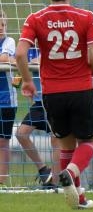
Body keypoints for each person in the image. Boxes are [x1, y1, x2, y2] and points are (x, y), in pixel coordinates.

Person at [15, 0, 93, 210]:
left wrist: (28, 81)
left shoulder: (35, 18)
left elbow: (21, 53)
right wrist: (92, 69)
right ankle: (71, 171)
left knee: (65, 145)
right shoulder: (86, 17)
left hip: (51, 93)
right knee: (90, 141)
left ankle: (77, 198)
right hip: (81, 88)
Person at [16, 46, 60, 190]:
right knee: (21, 134)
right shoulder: (28, 50)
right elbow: (18, 63)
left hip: (54, 98)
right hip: (39, 102)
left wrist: (30, 63)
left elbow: (43, 61)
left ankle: (55, 180)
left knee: (56, 139)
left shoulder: (51, 45)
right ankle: (43, 170)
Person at [0, 10, 18, 187]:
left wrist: (9, 60)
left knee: (3, 140)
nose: (1, 28)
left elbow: (5, 58)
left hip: (6, 101)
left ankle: (2, 180)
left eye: (3, 25)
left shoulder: (9, 41)